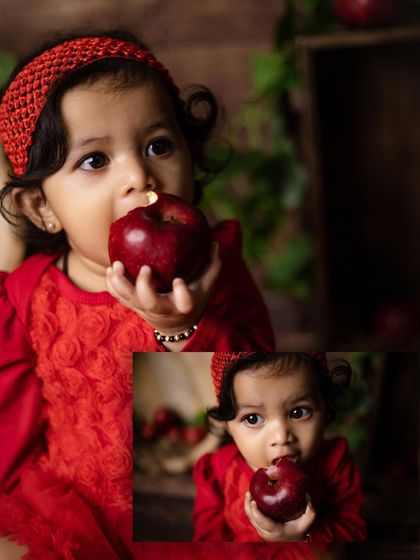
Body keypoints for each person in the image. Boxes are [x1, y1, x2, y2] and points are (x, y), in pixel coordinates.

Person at [0, 30, 275, 559]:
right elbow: (11, 433)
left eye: (157, 145)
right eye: (94, 161)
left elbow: (252, 396)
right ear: (42, 208)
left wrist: (180, 326)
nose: (139, 176)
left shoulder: (213, 268)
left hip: (181, 515)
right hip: (73, 515)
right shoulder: (27, 295)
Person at [193, 352, 367, 557]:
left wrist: (303, 535)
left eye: (299, 412)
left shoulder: (334, 462)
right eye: (253, 418)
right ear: (227, 425)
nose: (281, 436)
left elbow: (352, 533)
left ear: (326, 408)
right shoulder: (217, 471)